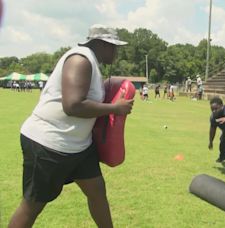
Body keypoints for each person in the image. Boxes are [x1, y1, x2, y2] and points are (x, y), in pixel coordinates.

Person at [8, 24, 133, 228]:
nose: (117, 52)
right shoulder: (80, 59)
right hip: (49, 143)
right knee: (33, 206)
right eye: (114, 47)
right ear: (102, 44)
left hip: (79, 146)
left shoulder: (92, 62)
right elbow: (72, 105)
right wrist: (114, 109)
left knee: (97, 193)